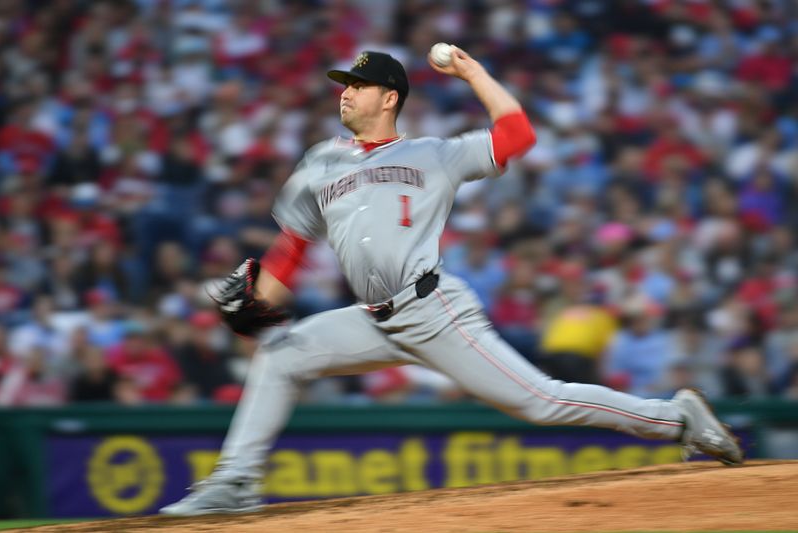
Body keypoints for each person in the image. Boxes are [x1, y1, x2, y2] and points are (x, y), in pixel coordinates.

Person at [160, 48, 742, 516]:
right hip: (371, 318)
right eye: (344, 83)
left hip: (433, 311)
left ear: (389, 98)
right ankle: (236, 481)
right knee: (278, 354)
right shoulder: (320, 163)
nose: (345, 90)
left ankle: (679, 417)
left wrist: (472, 71)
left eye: (358, 85)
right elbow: (290, 250)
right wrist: (258, 301)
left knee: (543, 402)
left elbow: (517, 136)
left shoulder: (431, 154)